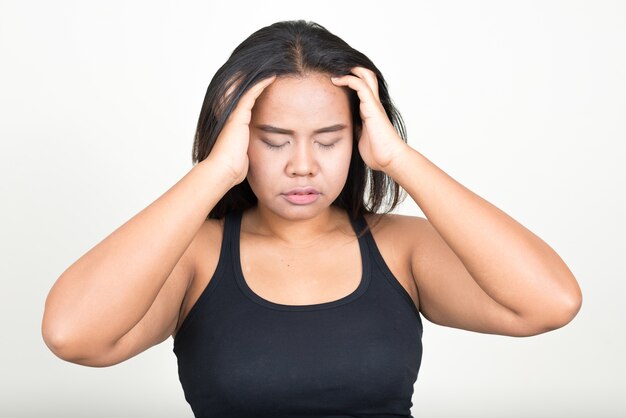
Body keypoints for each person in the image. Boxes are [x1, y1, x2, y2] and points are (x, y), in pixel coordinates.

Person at [41, 19, 582, 417]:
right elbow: (73, 335)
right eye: (274, 141)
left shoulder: (401, 247)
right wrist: (214, 172)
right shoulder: (193, 256)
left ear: (360, 137)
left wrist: (400, 160)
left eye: (329, 139)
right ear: (236, 139)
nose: (303, 166)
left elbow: (550, 303)